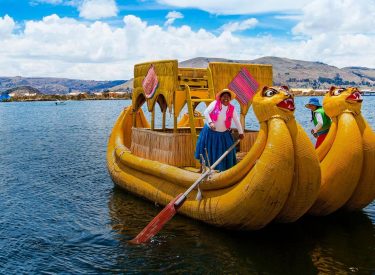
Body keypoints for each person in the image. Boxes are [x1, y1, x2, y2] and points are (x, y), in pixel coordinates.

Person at [194, 88, 244, 172]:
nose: (226, 98)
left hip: (223, 134)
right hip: (210, 133)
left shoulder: (232, 109)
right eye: (224, 96)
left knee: (225, 153)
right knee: (206, 151)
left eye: (228, 97)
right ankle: (202, 168)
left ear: (230, 98)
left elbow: (237, 120)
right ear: (220, 98)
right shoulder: (214, 104)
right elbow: (206, 112)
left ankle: (223, 171)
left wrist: (241, 132)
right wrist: (210, 123)